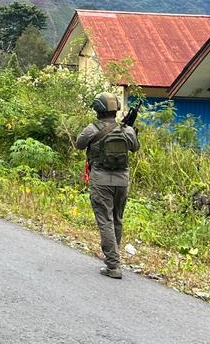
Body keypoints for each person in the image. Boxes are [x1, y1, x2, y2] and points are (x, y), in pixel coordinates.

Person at [74, 92, 140, 279]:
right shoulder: (126, 130)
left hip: (101, 180)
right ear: (115, 109)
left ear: (98, 110)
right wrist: (131, 129)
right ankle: (114, 257)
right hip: (122, 181)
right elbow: (135, 147)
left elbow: (79, 145)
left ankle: (113, 265)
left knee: (105, 220)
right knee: (117, 219)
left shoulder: (91, 129)